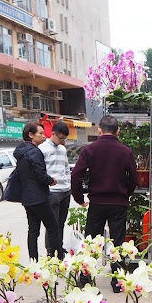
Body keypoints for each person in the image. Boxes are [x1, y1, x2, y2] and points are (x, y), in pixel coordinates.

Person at [71, 115, 138, 293]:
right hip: (118, 202)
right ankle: (117, 281)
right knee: (117, 242)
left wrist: (79, 197)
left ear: (100, 130)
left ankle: (85, 279)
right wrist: (126, 194)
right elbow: (134, 178)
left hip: (97, 202)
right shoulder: (125, 151)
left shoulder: (90, 150)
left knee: (91, 241)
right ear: (118, 131)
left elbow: (76, 174)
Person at [14, 122, 64, 261]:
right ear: (31, 135)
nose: (43, 136)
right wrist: (51, 180)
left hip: (27, 198)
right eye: (40, 133)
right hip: (39, 197)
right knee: (53, 227)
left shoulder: (20, 152)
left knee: (33, 230)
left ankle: (34, 260)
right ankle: (58, 258)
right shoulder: (35, 152)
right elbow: (40, 174)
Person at [40, 120, 71, 253]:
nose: (62, 141)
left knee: (61, 222)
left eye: (64, 139)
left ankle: (59, 246)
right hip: (52, 191)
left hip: (65, 190)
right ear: (53, 133)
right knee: (52, 224)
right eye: (61, 138)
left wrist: (68, 183)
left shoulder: (63, 149)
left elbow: (66, 168)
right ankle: (51, 250)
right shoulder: (42, 149)